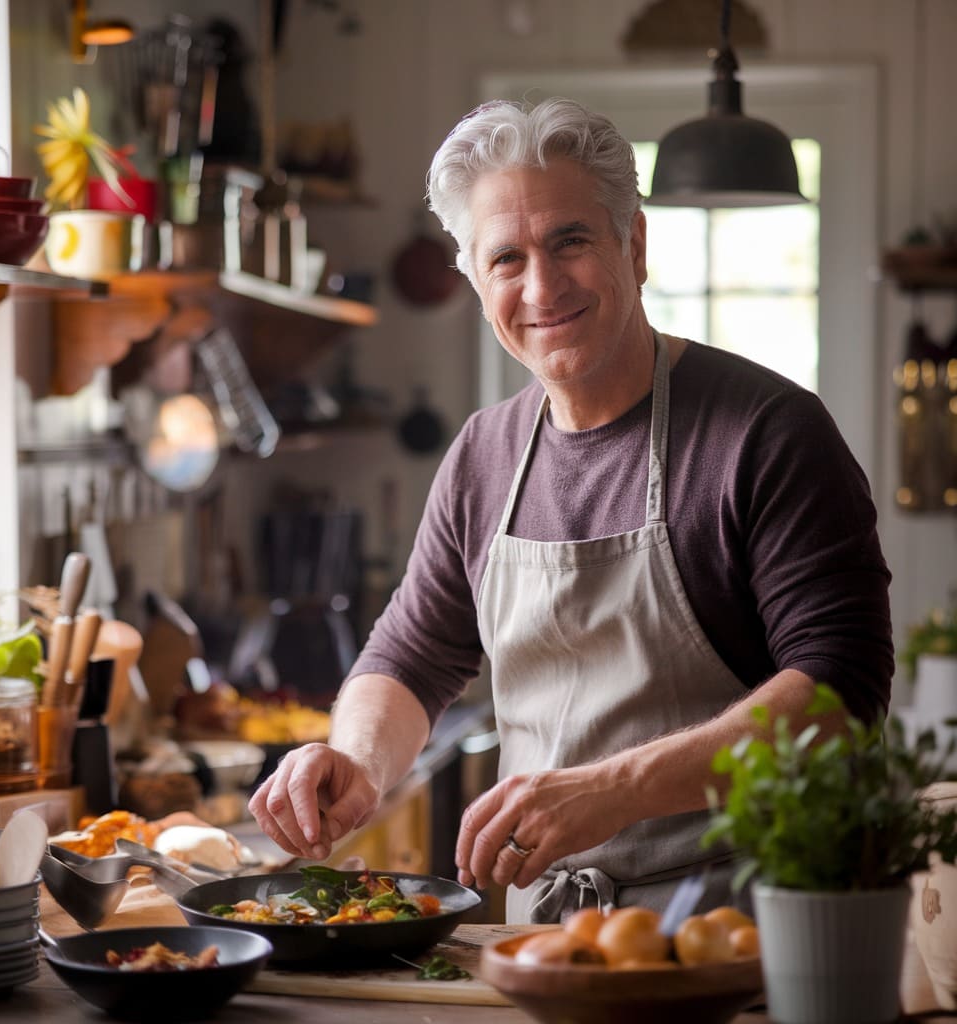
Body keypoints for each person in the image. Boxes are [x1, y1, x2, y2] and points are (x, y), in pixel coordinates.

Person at [249, 97, 893, 923]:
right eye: (506, 258)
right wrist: (355, 761)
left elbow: (841, 695)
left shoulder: (766, 432)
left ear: (634, 244)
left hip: (748, 923)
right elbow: (410, 657)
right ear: (477, 281)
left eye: (571, 241)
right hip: (551, 938)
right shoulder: (483, 457)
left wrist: (616, 790)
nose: (542, 286)